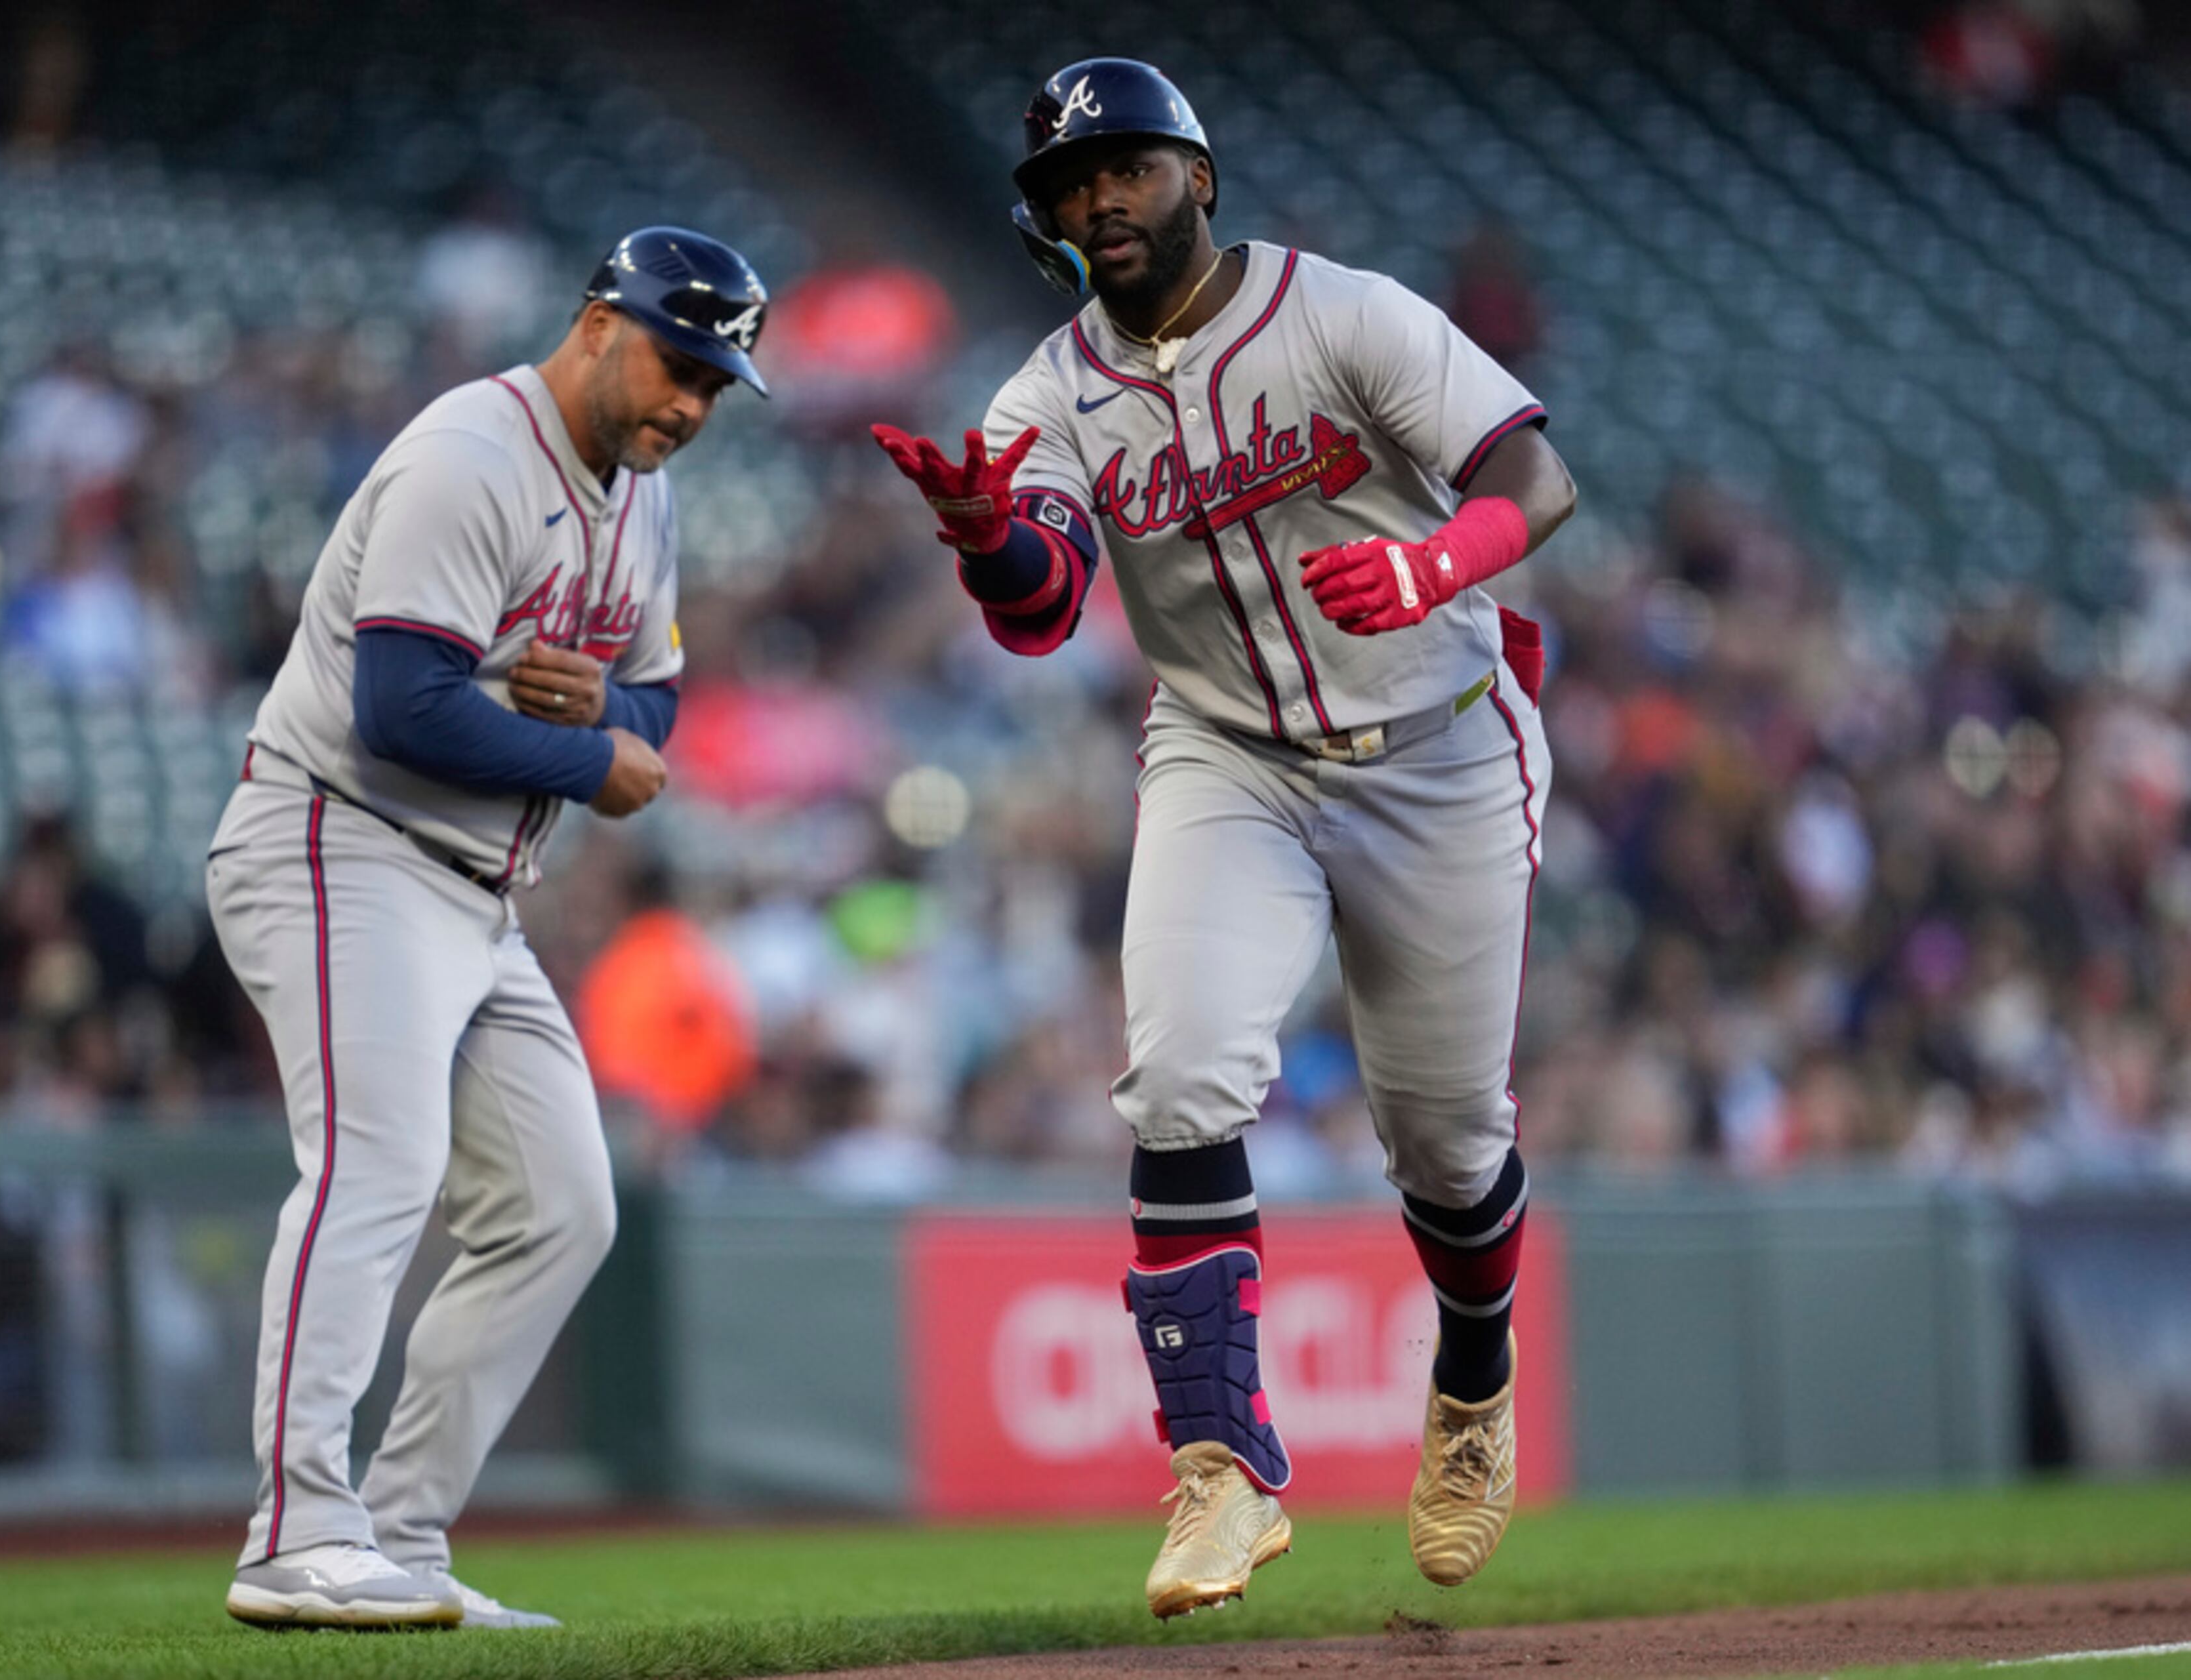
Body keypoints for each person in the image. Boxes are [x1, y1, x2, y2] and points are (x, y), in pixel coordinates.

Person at [873, 59, 1576, 1616]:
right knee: (1180, 1070)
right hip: (1228, 754)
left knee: (1447, 1145)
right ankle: (1218, 1468)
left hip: (1441, 749)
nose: (1096, 201)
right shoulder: (1048, 391)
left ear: (1199, 174)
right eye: (1067, 186)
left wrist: (1438, 566)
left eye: (1122, 168)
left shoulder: (1343, 313)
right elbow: (1047, 612)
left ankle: (1471, 1382)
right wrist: (995, 543)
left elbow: (1538, 472)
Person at [208, 226, 768, 1631]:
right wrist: (590, 756)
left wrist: (600, 720)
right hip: (342, 834)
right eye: (675, 361)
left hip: (476, 891)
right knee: (378, 1165)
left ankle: (397, 1541)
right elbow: (402, 707)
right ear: (595, 323)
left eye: (715, 382)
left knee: (565, 1209)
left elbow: (655, 711)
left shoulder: (643, 498)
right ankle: (297, 1528)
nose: (690, 403)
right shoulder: (475, 451)